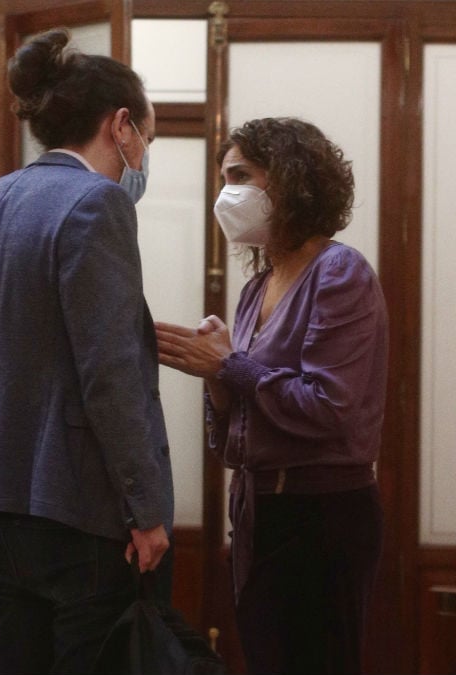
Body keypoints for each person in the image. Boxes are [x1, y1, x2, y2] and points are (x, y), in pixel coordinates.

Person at [0, 28, 172, 675]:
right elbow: (110, 374)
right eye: (148, 140)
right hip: (87, 512)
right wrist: (148, 507)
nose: (143, 155)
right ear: (121, 124)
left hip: (4, 505)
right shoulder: (97, 202)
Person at [156, 117, 388, 674]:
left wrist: (230, 366)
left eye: (240, 175)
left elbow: (330, 408)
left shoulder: (339, 270)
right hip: (261, 511)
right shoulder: (258, 285)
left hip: (323, 512)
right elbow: (233, 441)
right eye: (222, 178)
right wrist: (215, 378)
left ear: (286, 179)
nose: (225, 193)